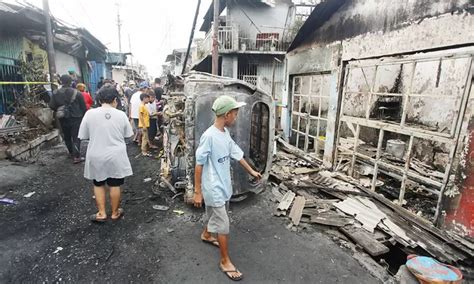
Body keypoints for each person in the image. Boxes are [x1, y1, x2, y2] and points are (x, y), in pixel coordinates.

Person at [193, 95, 262, 281]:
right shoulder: (209, 136)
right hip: (213, 186)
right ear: (227, 114)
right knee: (223, 224)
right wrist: (197, 192)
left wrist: (252, 171)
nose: (237, 117)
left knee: (214, 213)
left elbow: (236, 154)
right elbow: (199, 164)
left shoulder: (224, 133)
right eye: (236, 114)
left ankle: (207, 234)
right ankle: (225, 261)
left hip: (223, 184)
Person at [78, 85, 133, 222]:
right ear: (115, 100)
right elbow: (129, 135)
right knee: (115, 184)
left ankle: (101, 213)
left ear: (99, 99)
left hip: (96, 153)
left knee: (98, 183)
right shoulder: (121, 115)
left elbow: (83, 135)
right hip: (115, 155)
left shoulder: (89, 114)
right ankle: (115, 213)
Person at [49, 74, 87, 164]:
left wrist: (60, 110)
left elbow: (51, 106)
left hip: (62, 118)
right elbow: (83, 107)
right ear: (71, 82)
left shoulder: (55, 93)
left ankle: (71, 153)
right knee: (76, 136)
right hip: (76, 117)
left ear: (61, 82)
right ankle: (77, 156)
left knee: (67, 136)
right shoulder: (76, 93)